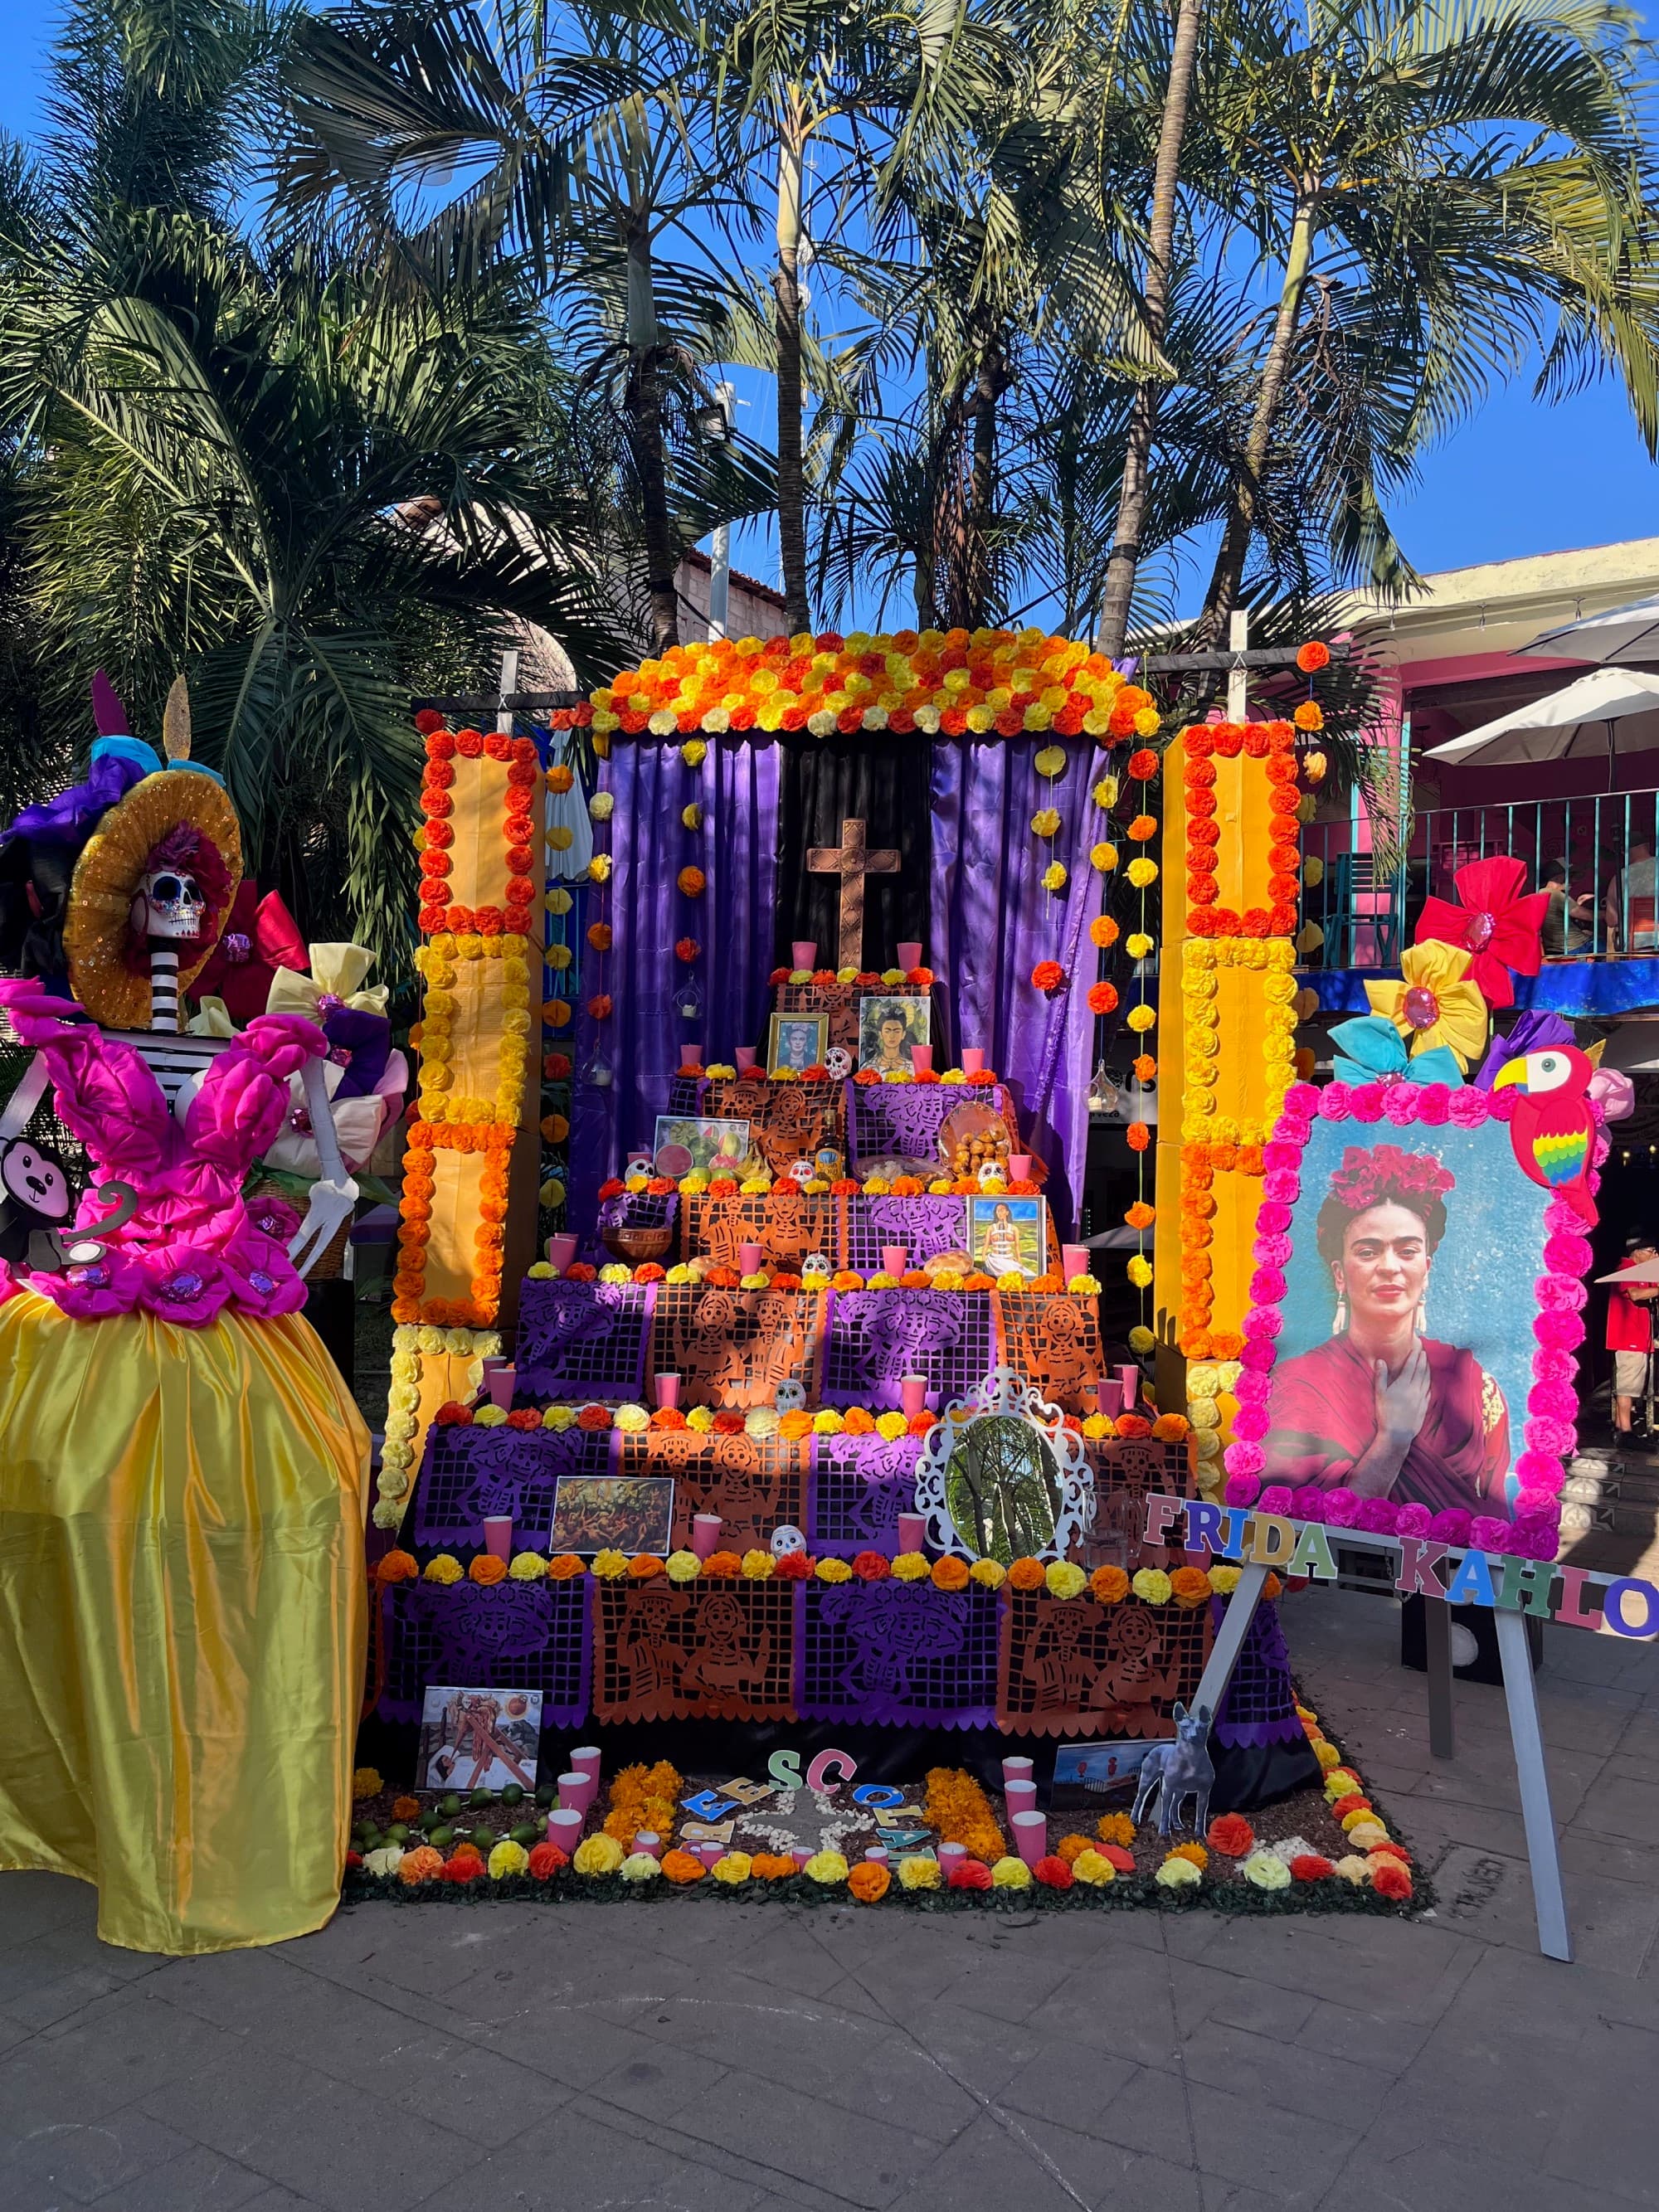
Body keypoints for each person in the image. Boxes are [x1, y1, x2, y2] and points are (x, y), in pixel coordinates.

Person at [1262, 1144, 1510, 1512]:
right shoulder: (1297, 1385)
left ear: (1426, 1268)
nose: (1389, 1266)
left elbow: (1493, 1523)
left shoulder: (1476, 1386)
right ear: (1340, 1274)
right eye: (1368, 1251)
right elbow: (1298, 1527)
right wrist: (1393, 1441)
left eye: (1407, 1251)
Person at [1606, 1234, 1657, 1442]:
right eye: (1652, 1251)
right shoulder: (1626, 1268)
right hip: (1628, 1337)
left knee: (1634, 1385)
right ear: (1637, 1253)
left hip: (1640, 1338)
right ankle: (1625, 1431)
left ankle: (1621, 1428)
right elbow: (1635, 1294)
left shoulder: (1644, 1273)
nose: (1656, 1255)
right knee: (1628, 1386)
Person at [1606, 837, 1657, 951]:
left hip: (1636, 945)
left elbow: (1612, 920)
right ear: (1648, 846)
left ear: (1625, 853)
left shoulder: (1620, 877)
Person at [1540, 858, 1592, 957]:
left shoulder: (1540, 894)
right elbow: (1587, 916)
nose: (1572, 881)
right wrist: (1606, 914)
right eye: (1570, 876)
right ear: (1558, 878)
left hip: (1554, 948)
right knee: (1606, 945)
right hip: (1575, 948)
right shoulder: (1556, 895)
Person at [980, 1199, 1029, 1276]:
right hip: (994, 1260)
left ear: (1007, 1212)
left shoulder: (1014, 1228)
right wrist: (983, 1260)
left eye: (1002, 1210)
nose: (1000, 1213)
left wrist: (1019, 1259)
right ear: (996, 1213)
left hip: (1008, 1258)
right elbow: (986, 1245)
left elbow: (1017, 1246)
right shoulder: (991, 1228)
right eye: (998, 1211)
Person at [868, 1004, 913, 1072]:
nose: (892, 1036)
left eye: (897, 1031)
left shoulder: (912, 1069)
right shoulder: (869, 1068)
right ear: (880, 1034)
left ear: (903, 1034)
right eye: (887, 1031)